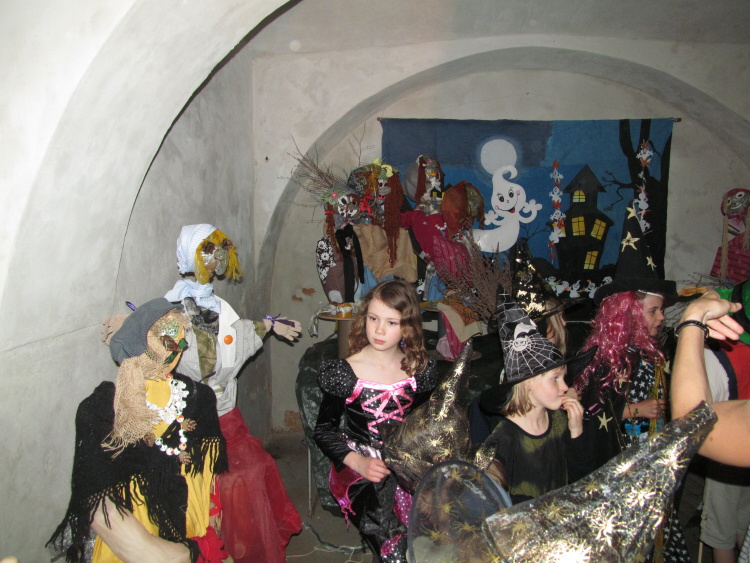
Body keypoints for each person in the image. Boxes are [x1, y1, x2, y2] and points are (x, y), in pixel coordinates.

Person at [48, 298, 228, 563]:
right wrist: (183, 554)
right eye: (168, 340)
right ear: (142, 344)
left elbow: (208, 478)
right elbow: (100, 507)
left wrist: (209, 536)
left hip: (193, 530)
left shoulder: (198, 398)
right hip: (135, 547)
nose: (178, 350)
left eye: (181, 341)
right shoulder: (101, 411)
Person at [164, 224, 302, 563]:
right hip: (192, 420)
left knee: (254, 472)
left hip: (227, 416)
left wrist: (271, 324)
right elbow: (160, 341)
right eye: (208, 251)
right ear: (192, 257)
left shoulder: (218, 304)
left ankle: (246, 547)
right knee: (220, 485)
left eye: (220, 249)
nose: (217, 258)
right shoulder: (176, 309)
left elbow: (239, 332)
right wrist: (130, 324)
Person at [313, 279, 439, 562]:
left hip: (407, 466)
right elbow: (323, 430)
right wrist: (358, 462)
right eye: (373, 318)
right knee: (392, 548)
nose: (379, 330)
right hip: (363, 471)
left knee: (425, 541)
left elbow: (423, 424)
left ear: (408, 326)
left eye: (391, 322)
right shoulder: (346, 372)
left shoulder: (419, 371)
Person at [480, 291, 594, 504]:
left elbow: (583, 481)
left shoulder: (559, 421)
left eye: (564, 378)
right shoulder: (502, 440)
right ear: (527, 383)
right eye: (555, 379)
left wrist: (576, 432)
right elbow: (492, 501)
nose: (565, 387)